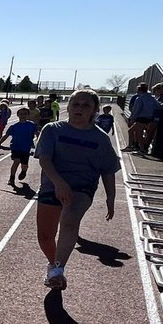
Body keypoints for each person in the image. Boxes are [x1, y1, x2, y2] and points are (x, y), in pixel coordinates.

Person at [35, 89, 120, 291]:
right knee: (45, 236)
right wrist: (59, 183)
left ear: (94, 110)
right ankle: (54, 265)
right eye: (75, 104)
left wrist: (110, 198)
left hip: (82, 188)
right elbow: (44, 159)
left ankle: (58, 270)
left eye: (85, 105)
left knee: (70, 219)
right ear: (69, 107)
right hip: (52, 185)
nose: (79, 108)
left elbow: (108, 170)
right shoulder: (52, 129)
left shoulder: (100, 138)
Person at [0, 105, 38, 187]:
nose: (23, 115)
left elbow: (37, 133)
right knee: (16, 161)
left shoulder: (31, 125)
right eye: (21, 114)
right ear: (18, 115)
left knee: (24, 165)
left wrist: (40, 142)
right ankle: (11, 178)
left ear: (28, 115)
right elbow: (6, 135)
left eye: (25, 114)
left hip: (26, 148)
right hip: (15, 147)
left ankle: (24, 171)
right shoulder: (14, 127)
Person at [126, 83, 159, 153]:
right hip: (148, 118)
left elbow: (136, 109)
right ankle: (141, 149)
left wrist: (132, 118)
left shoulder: (140, 98)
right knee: (139, 134)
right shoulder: (152, 98)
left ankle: (130, 147)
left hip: (141, 118)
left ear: (139, 91)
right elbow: (158, 106)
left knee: (131, 131)